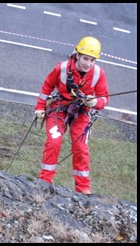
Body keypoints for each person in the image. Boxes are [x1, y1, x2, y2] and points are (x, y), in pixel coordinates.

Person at [34, 36, 109, 195]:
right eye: (85, 58)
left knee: (81, 147)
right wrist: (40, 108)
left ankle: (83, 188)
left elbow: (104, 98)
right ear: (77, 55)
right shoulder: (61, 69)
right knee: (54, 142)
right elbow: (47, 86)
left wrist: (93, 102)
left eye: (92, 60)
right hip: (59, 108)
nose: (88, 63)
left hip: (82, 112)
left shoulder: (98, 73)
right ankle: (45, 180)